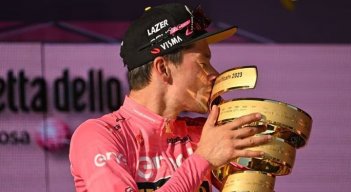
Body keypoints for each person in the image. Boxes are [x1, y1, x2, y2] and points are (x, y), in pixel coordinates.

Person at [69, 3, 271, 192]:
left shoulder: (205, 133)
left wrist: (266, 145)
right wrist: (202, 158)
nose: (215, 75)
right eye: (203, 63)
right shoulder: (98, 135)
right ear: (163, 68)